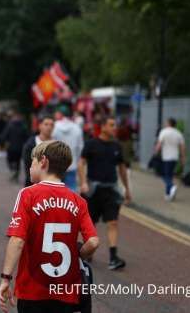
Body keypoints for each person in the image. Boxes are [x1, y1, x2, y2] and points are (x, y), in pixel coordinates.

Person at [0, 140, 99, 313]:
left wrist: (6, 278)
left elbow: (17, 240)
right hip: (66, 291)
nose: (30, 168)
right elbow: (93, 242)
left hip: (32, 289)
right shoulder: (78, 201)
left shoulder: (28, 194)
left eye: (32, 162)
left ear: (43, 161)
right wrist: (78, 253)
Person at [78, 116, 131, 270]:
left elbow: (121, 168)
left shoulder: (117, 146)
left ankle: (113, 258)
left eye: (115, 125)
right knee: (90, 224)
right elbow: (81, 163)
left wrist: (126, 189)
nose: (115, 128)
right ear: (103, 127)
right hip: (93, 191)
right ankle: (87, 253)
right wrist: (83, 183)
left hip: (111, 190)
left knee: (113, 222)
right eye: (112, 125)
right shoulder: (91, 144)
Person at [52, 108, 83, 192]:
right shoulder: (77, 128)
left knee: (55, 193)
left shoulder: (54, 126)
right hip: (71, 165)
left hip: (56, 166)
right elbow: (80, 148)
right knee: (70, 194)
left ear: (61, 114)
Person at [155, 118, 185, 201]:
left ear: (169, 123)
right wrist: (183, 158)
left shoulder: (164, 132)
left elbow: (159, 144)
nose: (165, 123)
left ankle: (172, 186)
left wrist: (155, 153)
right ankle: (168, 195)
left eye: (166, 122)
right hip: (175, 157)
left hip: (166, 157)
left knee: (164, 175)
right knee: (170, 175)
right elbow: (182, 147)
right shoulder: (178, 133)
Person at [21, 115, 54, 187]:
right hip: (33, 184)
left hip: (51, 185)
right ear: (40, 126)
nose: (49, 127)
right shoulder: (30, 144)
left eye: (51, 125)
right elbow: (27, 165)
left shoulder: (56, 145)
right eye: (46, 124)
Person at [1, 111, 29, 182]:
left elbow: (4, 136)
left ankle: (13, 169)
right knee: (18, 161)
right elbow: (27, 137)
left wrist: (3, 143)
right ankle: (16, 171)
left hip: (11, 147)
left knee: (9, 159)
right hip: (20, 147)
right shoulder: (23, 126)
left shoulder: (10, 126)